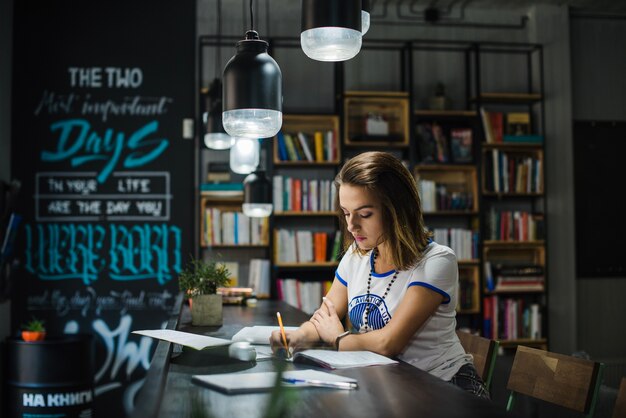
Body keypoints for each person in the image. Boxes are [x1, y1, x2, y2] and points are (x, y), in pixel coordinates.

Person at [270, 151, 489, 399]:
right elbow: (325, 317)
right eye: (346, 212)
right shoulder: (356, 255)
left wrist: (338, 339)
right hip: (390, 386)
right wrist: (297, 336)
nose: (352, 226)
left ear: (397, 210)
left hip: (446, 387)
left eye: (364, 214)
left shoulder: (437, 261)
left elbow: (388, 343)